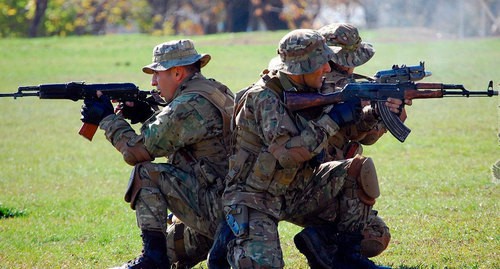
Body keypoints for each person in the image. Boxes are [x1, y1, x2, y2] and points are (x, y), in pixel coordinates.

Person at [221, 29, 404, 269]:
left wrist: (373, 114)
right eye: (321, 64)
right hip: (257, 197)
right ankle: (219, 249)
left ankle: (343, 259)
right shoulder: (264, 97)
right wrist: (334, 119)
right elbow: (287, 154)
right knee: (262, 265)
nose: (328, 69)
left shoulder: (310, 89)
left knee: (360, 174)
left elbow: (348, 132)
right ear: (303, 67)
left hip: (297, 188)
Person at [80, 39, 234, 269]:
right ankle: (158, 258)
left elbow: (136, 152)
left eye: (157, 74)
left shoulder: (187, 106)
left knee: (145, 173)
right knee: (172, 248)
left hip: (216, 211)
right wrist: (147, 115)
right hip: (230, 211)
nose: (153, 81)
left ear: (178, 73)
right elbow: (184, 135)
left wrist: (107, 119)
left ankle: (152, 260)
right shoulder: (212, 90)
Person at [291, 23, 397, 267]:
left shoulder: (310, 82)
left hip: (316, 182)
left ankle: (320, 241)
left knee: (375, 235)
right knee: (375, 236)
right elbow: (363, 135)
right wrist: (386, 119)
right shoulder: (334, 89)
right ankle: (341, 255)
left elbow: (358, 133)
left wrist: (379, 114)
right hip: (317, 186)